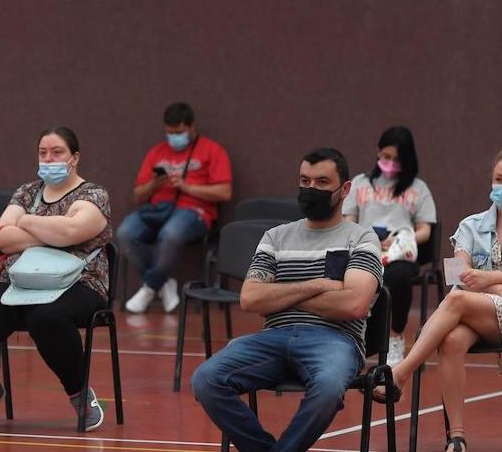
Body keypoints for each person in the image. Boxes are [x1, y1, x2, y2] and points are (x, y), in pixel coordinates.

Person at [381, 135, 502, 452]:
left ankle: (402, 372)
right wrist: (501, 288)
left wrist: (487, 278)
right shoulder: (470, 225)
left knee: (456, 298)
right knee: (452, 339)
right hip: (482, 312)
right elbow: (456, 273)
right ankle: (457, 438)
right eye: (499, 179)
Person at [192, 148, 383, 452]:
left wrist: (281, 294)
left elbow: (354, 305)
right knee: (206, 379)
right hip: (274, 338)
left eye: (322, 182)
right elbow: (250, 298)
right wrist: (320, 285)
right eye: (305, 181)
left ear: (345, 189)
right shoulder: (275, 237)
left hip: (334, 340)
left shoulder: (361, 237)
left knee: (329, 388)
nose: (311, 189)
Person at [0, 127, 113, 430]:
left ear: (74, 158)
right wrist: (56, 233)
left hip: (80, 283)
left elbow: (73, 231)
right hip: (20, 281)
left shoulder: (94, 194)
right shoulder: (27, 191)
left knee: (46, 316)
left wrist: (27, 221)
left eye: (57, 152)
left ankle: (79, 393)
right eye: (43, 153)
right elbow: (3, 238)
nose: (49, 158)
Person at [119, 102, 233, 313]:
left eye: (178, 132)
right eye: (169, 133)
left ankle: (149, 287)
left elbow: (225, 192)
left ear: (192, 127)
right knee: (125, 232)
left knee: (171, 233)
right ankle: (162, 282)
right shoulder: (157, 152)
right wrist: (154, 184)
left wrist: (186, 186)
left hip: (194, 212)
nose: (174, 137)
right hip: (157, 210)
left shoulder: (212, 150)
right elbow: (137, 195)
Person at [342, 125, 437, 366]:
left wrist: (400, 238)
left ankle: (395, 337)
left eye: (397, 159)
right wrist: (366, 236)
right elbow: (348, 220)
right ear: (378, 152)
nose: (390, 163)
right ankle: (355, 337)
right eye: (386, 156)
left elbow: (425, 230)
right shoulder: (360, 183)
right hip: (365, 249)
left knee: (398, 277)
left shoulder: (418, 188)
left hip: (400, 252)